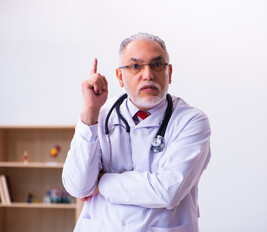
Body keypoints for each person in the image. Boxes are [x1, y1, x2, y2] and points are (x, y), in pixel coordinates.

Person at [62, 32, 211, 232]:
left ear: (170, 72)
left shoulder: (191, 121)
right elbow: (78, 187)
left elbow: (168, 190)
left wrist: (101, 182)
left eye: (157, 65)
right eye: (135, 66)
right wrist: (89, 113)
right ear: (120, 76)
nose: (148, 74)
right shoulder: (99, 116)